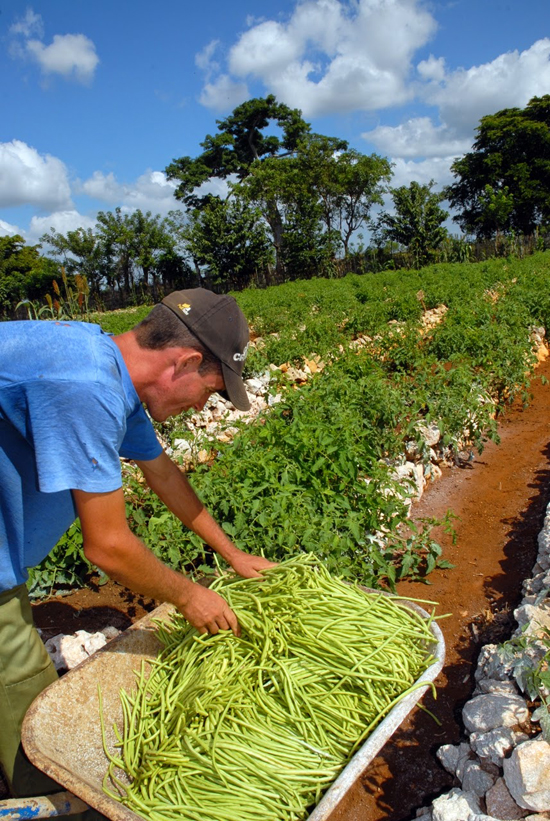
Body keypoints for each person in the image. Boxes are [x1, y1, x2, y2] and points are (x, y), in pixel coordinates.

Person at [0, 287, 275, 802]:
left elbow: (163, 474)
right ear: (186, 361)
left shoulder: (104, 364)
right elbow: (106, 547)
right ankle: (61, 801)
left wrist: (232, 554)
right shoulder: (86, 385)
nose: (201, 405)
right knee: (19, 680)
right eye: (210, 391)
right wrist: (192, 597)